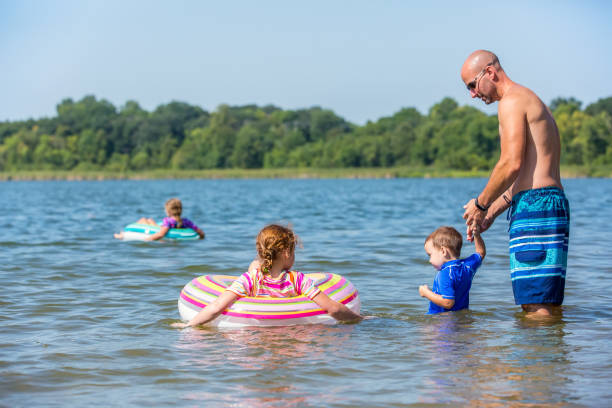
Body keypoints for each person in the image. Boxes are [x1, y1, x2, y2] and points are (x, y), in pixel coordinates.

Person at [460, 50, 570, 317]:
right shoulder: (528, 99)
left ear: (490, 72)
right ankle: (543, 358)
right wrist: (490, 212)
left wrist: (479, 203)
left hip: (536, 206)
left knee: (536, 304)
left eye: (472, 85)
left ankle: (536, 359)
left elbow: (511, 164)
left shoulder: (511, 101)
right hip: (543, 203)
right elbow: (525, 177)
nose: (473, 94)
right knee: (539, 300)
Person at [171, 224, 363, 328]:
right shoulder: (297, 280)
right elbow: (332, 308)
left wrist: (189, 326)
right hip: (294, 335)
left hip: (253, 338)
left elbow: (215, 308)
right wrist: (359, 319)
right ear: (287, 253)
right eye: (294, 252)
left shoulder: (249, 279)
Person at [419, 226, 486, 314]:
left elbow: (448, 302)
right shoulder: (467, 267)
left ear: (443, 251)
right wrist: (476, 235)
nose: (429, 260)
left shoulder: (445, 273)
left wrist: (426, 293)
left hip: (442, 321)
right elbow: (481, 252)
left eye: (430, 255)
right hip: (459, 319)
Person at [114, 198, 205, 241]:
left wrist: (148, 239)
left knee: (144, 220)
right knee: (149, 220)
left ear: (168, 211)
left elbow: (161, 234)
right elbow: (200, 232)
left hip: (161, 229)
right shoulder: (186, 221)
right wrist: (200, 237)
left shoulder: (168, 221)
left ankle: (122, 235)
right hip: (170, 229)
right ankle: (122, 234)